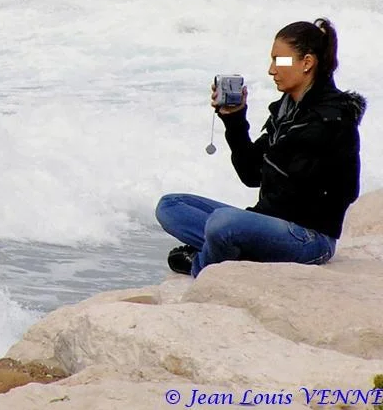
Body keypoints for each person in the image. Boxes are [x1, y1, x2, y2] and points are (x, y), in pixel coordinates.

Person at [155, 18, 367, 277]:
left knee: (224, 224)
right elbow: (251, 174)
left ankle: (202, 266)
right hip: (267, 223)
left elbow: (346, 191)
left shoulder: (333, 119)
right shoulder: (287, 112)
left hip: (309, 238)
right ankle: (235, 248)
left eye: (280, 60)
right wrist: (235, 118)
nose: (271, 69)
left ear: (307, 63)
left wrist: (259, 217)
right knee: (170, 205)